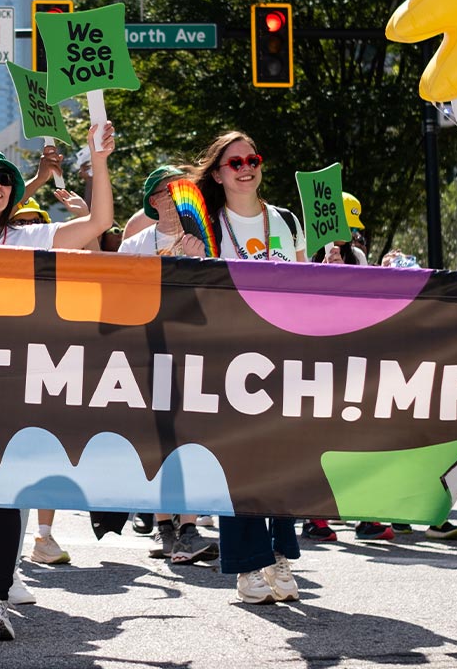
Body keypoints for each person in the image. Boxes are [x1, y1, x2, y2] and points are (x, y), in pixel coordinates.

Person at [0, 129, 115, 642]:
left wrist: (98, 159)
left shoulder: (30, 238)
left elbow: (100, 223)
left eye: (4, 179)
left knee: (8, 492)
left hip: (15, 383)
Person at [189, 131, 307, 604]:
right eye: (234, 162)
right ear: (218, 173)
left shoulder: (285, 219)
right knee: (240, 463)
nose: (245, 168)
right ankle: (247, 567)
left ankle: (279, 556)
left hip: (283, 355)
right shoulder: (205, 225)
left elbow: (307, 283)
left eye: (252, 159)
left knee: (282, 460)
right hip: (230, 357)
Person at [117, 166, 220, 562]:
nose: (178, 196)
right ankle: (163, 526)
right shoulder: (136, 244)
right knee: (158, 444)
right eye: (169, 190)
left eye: (185, 189)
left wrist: (202, 262)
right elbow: (121, 303)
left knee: (192, 440)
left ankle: (190, 527)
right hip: (148, 352)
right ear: (154, 199)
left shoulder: (205, 239)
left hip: (195, 352)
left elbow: (220, 299)